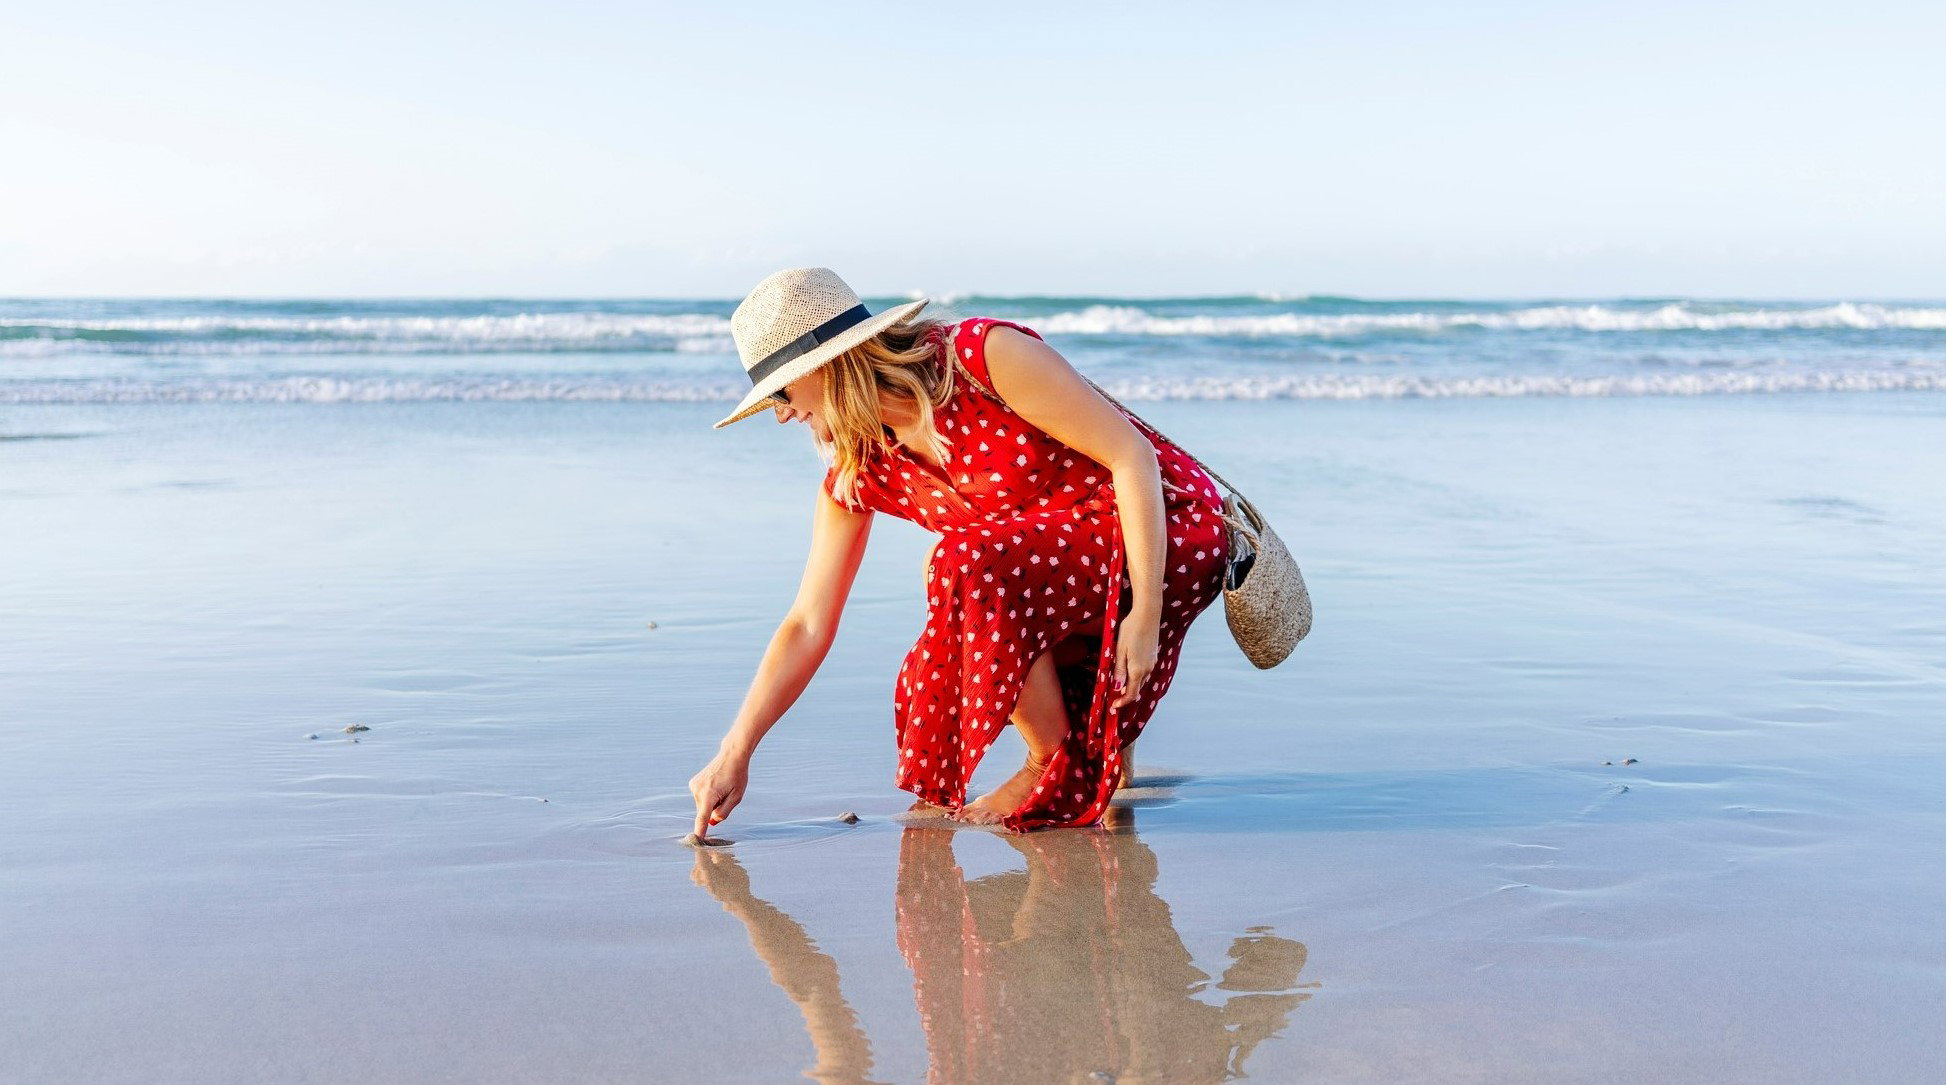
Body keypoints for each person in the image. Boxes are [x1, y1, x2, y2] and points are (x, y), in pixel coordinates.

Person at [689, 267, 1229, 834]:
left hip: (1165, 526)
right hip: (1055, 564)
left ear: (825, 366)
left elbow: (1131, 457)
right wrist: (736, 750)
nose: (781, 414)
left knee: (959, 560)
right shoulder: (861, 472)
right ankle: (1100, 746)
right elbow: (807, 623)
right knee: (969, 564)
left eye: (781, 392)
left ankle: (1051, 760)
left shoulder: (982, 358)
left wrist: (1143, 616)